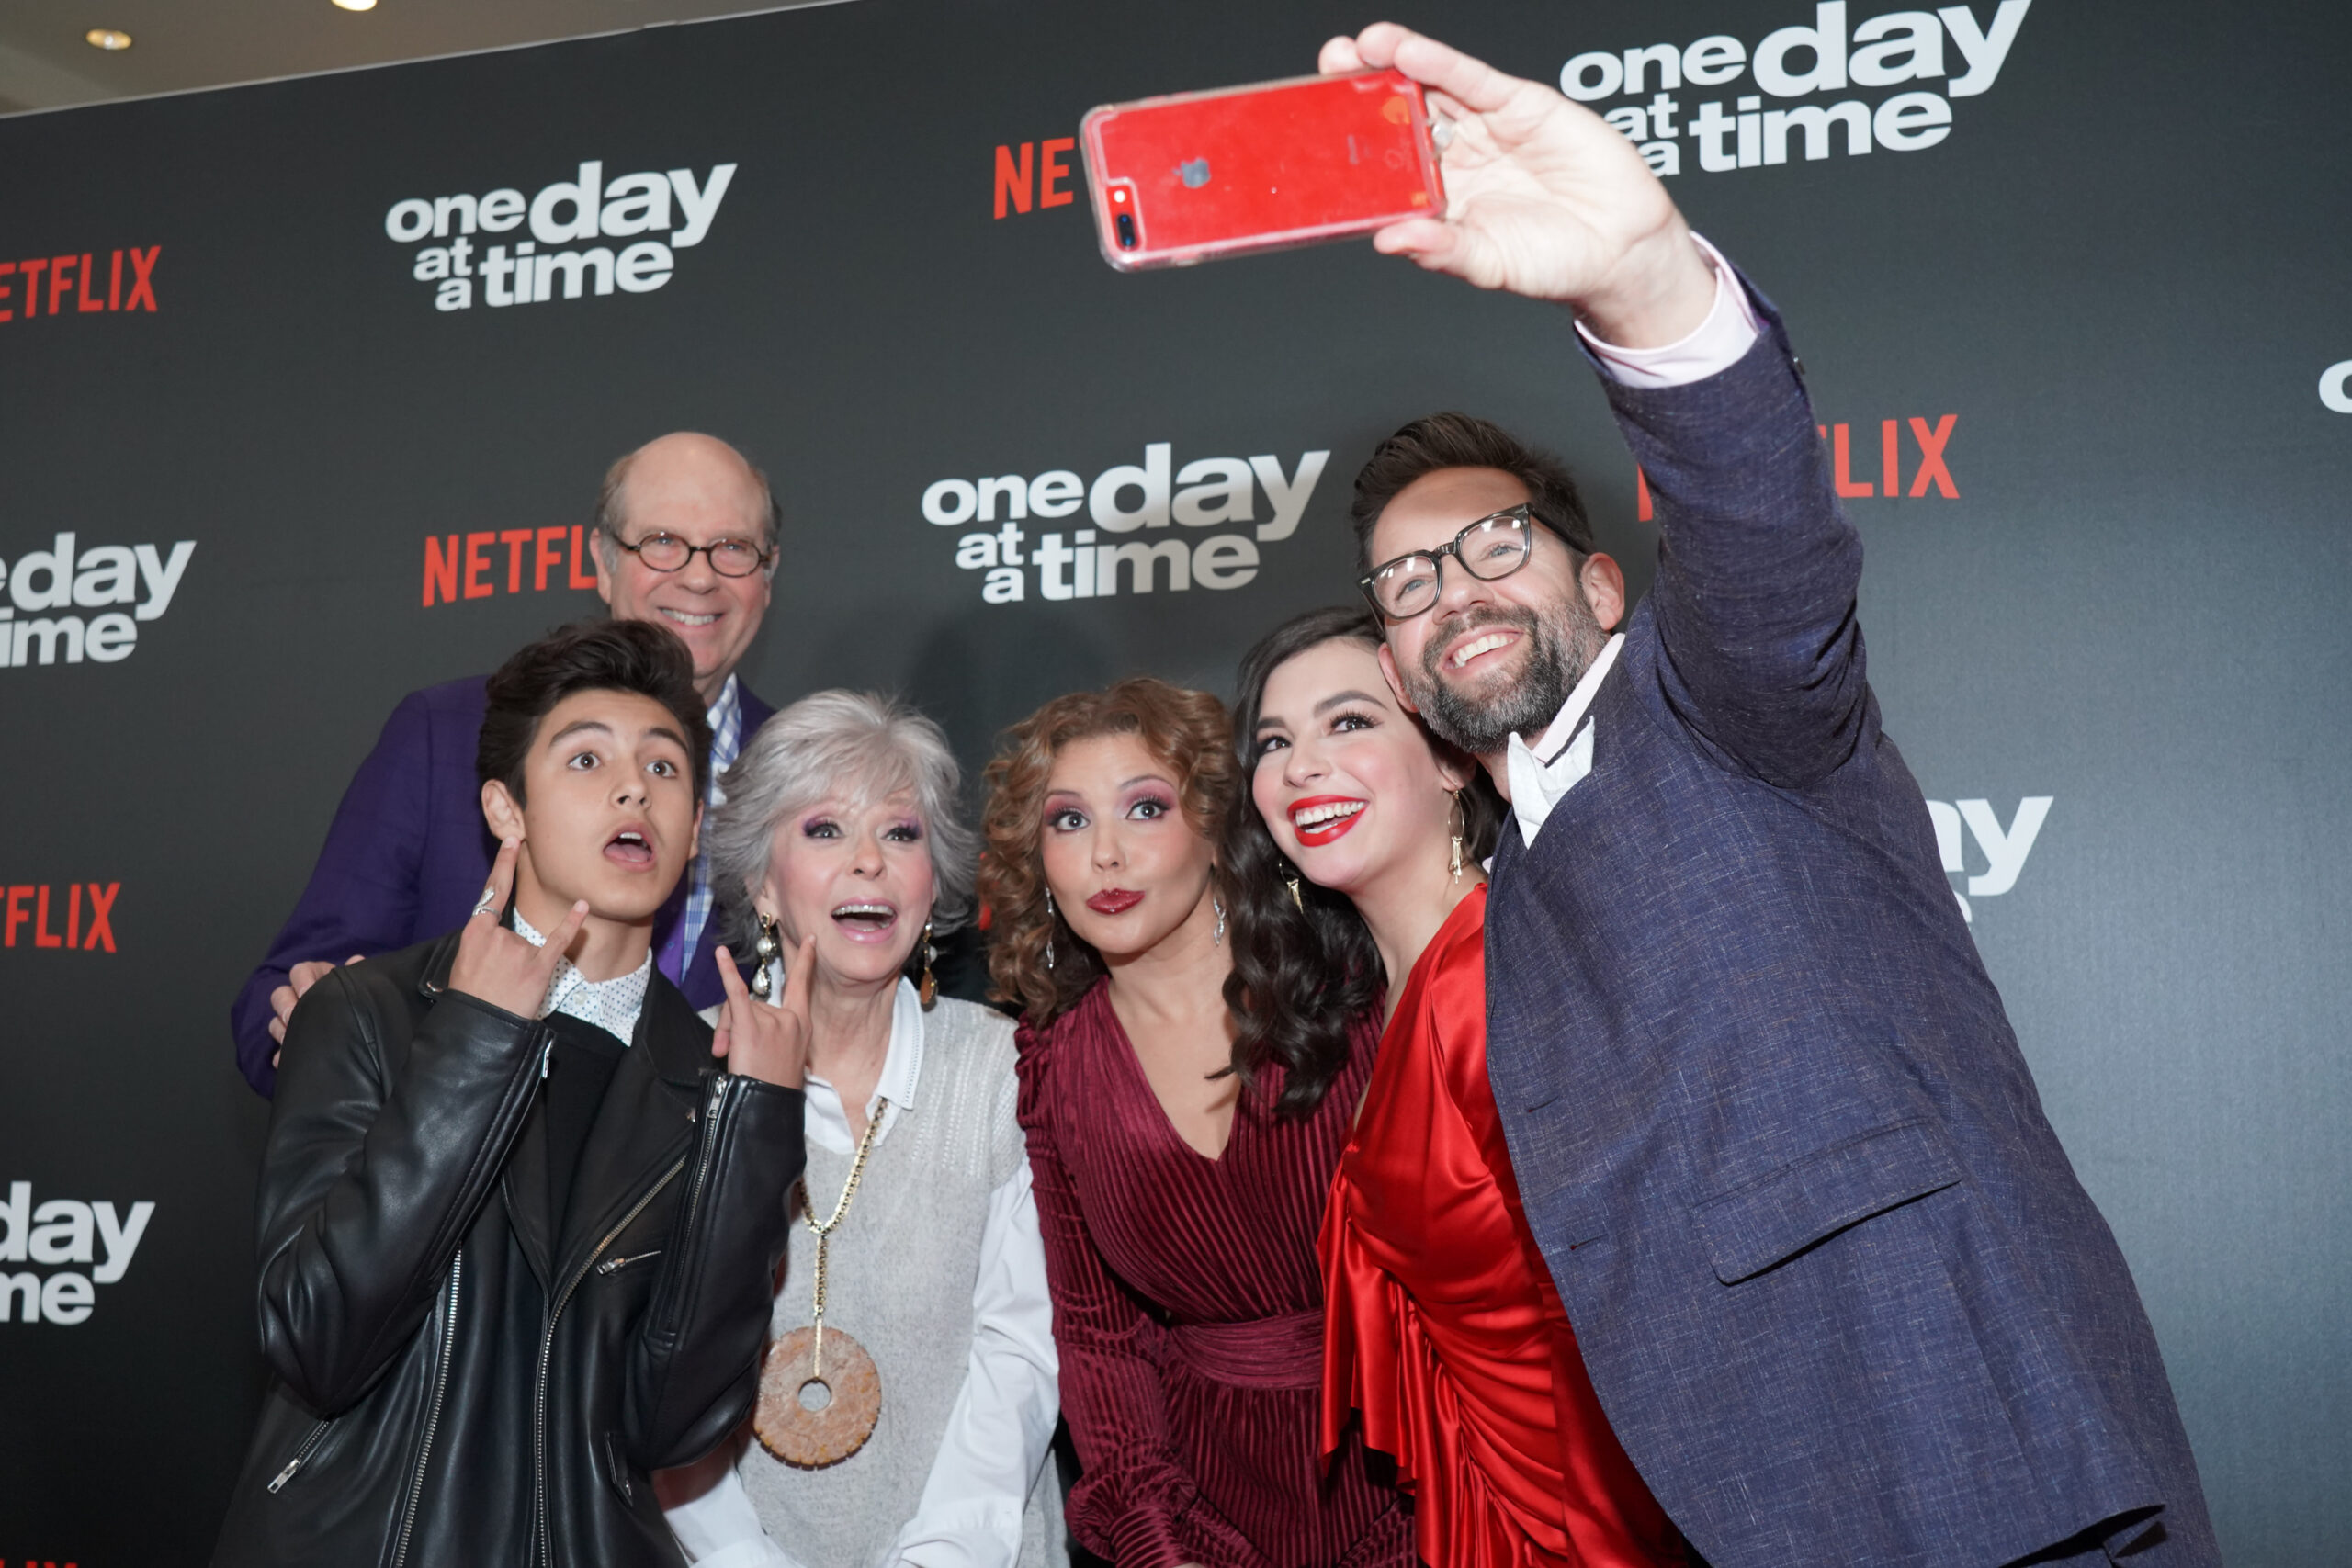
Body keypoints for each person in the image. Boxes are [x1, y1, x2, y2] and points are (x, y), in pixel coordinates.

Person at [1321, 23, 2218, 1567]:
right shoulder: (1511, 899)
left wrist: (1645, 280)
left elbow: (1764, 527)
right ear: (1400, 677)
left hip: (1979, 1476)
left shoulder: (1724, 704)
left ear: (1610, 586)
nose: (1453, 587)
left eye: (1496, 544)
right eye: (1404, 582)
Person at [210, 619, 810, 1568]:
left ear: (697, 826)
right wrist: (477, 1042)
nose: (631, 789)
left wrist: (760, 1125)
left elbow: (670, 1423)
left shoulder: (714, 1073)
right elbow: (319, 1340)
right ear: (505, 809)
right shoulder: (366, 1013)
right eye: (585, 759)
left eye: (664, 769)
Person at [1227, 604, 1684, 1568]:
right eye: (1275, 741)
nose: (1301, 765)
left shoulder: (1488, 979)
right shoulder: (1383, 1002)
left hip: (1598, 1528)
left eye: (1348, 722)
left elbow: (1618, 1330)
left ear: (1447, 760)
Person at [979, 679, 1412, 1568]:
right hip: (1205, 1507)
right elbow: (1099, 1342)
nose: (1105, 854)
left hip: (1417, 1472)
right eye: (1067, 821)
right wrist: (1164, 1544)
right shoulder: (1055, 1068)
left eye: (1144, 808)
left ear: (1216, 825)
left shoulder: (1353, 992)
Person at [231, 430, 783, 1096]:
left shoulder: (806, 783)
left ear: (768, 574)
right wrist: (315, 1028)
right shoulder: (445, 734)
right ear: (603, 562)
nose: (698, 575)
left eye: (733, 548)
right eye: (662, 541)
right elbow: (281, 998)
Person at [656, 690, 1064, 1568]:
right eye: (825, 831)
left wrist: (941, 1557)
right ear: (764, 883)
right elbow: (648, 1362)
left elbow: (1021, 1351)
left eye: (901, 833)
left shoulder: (1004, 1068)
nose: (870, 863)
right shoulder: (679, 1068)